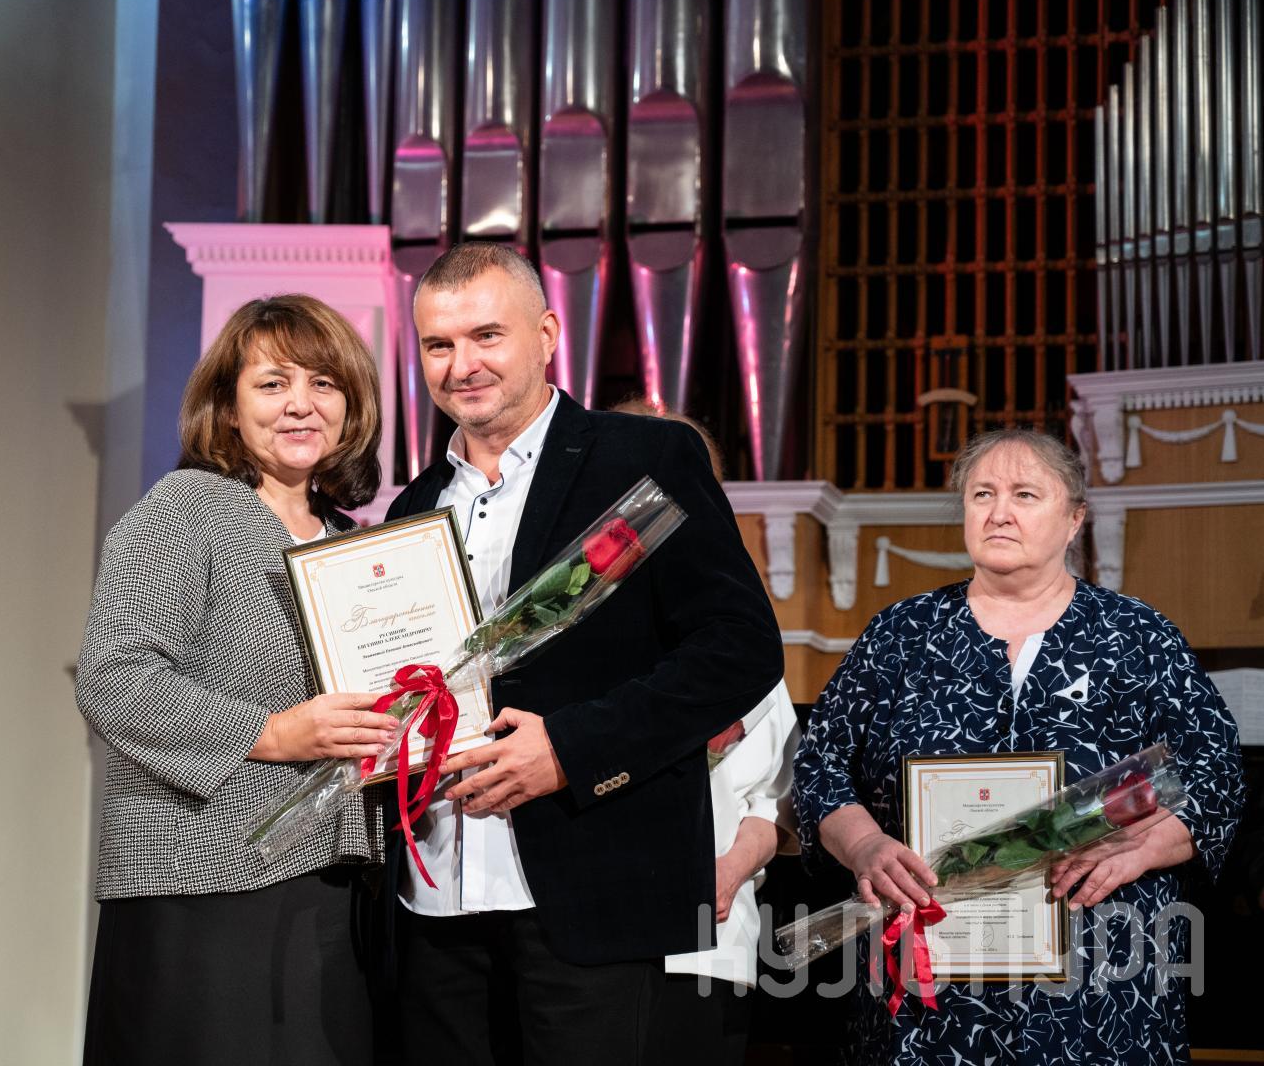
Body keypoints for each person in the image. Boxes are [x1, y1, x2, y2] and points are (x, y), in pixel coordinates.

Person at [383, 241, 785, 1063]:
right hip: (433, 900)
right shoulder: (410, 507)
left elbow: (739, 649)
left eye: (486, 336)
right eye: (437, 344)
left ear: (546, 334)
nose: (462, 364)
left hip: (591, 889)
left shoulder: (641, 459)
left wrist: (571, 749)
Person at [793, 428, 1246, 1064]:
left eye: (1025, 495)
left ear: (1074, 519)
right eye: (982, 494)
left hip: (1104, 981)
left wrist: (1144, 848)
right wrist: (865, 844)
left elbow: (1216, 773)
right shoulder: (899, 635)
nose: (999, 512)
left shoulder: (1137, 635)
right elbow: (818, 765)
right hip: (929, 994)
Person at [75, 294, 399, 1065]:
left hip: (331, 889)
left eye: (323, 383)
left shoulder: (355, 545)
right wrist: (274, 733)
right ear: (226, 407)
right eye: (272, 383)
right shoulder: (183, 510)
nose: (300, 403)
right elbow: (114, 676)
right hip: (201, 888)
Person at [607, 399, 801, 1066]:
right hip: (579, 945)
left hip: (705, 939)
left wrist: (725, 873)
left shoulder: (739, 639)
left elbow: (777, 796)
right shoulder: (563, 637)